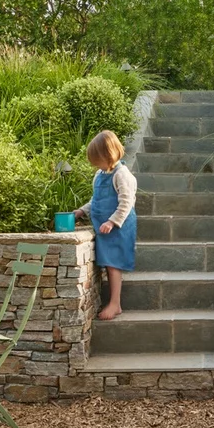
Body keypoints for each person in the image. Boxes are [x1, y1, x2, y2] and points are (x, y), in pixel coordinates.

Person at [74, 130, 137, 320]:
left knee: (113, 264)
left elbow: (127, 202)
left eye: (98, 161)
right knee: (108, 264)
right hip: (105, 228)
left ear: (109, 156)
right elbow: (96, 199)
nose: (96, 165)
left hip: (119, 228)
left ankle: (115, 303)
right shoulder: (101, 174)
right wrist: (82, 211)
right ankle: (113, 302)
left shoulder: (121, 174)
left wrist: (112, 221)